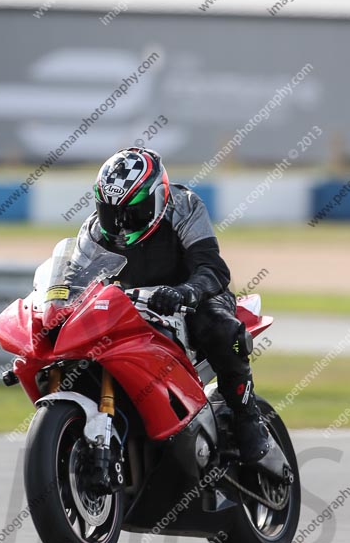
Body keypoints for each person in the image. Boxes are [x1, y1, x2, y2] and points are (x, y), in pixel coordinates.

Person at [75, 146, 289, 482]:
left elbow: (212, 268)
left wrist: (184, 292)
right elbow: (74, 278)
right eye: (110, 212)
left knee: (219, 327)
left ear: (158, 198)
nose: (120, 223)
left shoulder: (184, 206)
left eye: (133, 212)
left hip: (192, 297)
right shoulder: (95, 232)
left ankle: (248, 419)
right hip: (130, 307)